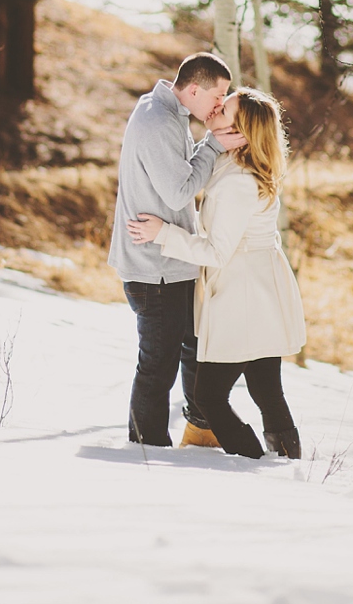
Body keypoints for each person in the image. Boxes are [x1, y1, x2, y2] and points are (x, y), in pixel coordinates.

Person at [127, 87, 306, 460]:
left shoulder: (239, 182)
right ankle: (287, 465)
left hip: (242, 293)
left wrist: (164, 234)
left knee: (209, 396)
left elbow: (216, 252)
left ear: (241, 130)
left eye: (224, 111)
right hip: (257, 287)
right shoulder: (235, 161)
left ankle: (254, 462)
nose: (215, 111)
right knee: (267, 391)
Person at [108, 52, 246, 448]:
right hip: (155, 268)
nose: (221, 104)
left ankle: (201, 428)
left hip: (171, 262)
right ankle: (146, 447)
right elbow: (180, 191)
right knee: (158, 363)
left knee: (193, 346)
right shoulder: (159, 123)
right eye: (218, 96)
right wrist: (212, 147)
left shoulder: (164, 109)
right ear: (194, 89)